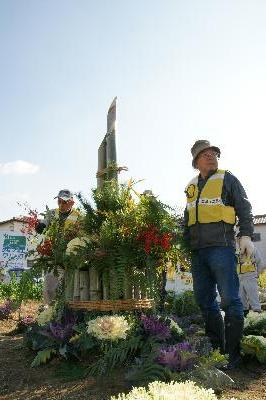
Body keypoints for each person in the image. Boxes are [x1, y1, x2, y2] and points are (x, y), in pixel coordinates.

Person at [184, 139, 254, 369]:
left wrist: (246, 235)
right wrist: (186, 249)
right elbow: (187, 221)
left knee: (230, 301)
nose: (211, 156)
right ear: (196, 162)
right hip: (198, 253)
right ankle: (217, 350)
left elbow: (244, 208)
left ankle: (232, 356)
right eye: (205, 154)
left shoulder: (228, 179)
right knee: (204, 301)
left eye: (214, 153)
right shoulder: (192, 187)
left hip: (222, 249)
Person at [36, 189, 81, 305]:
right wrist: (41, 225)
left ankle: (67, 312)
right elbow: (45, 221)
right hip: (54, 257)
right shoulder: (52, 213)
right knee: (49, 285)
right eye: (59, 202)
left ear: (72, 202)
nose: (61, 205)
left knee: (70, 287)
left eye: (64, 202)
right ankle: (51, 311)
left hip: (71, 258)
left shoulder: (79, 217)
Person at [236, 236, 265, 316]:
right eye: (238, 239)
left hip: (250, 276)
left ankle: (258, 314)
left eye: (240, 239)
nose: (239, 241)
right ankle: (244, 315)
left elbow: (260, 263)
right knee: (241, 297)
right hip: (239, 277)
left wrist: (256, 274)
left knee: (253, 296)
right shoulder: (236, 251)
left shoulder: (253, 249)